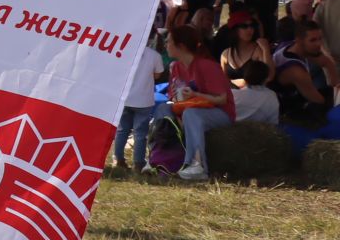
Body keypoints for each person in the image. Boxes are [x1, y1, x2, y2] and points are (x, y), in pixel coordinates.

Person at [157, 23, 235, 182]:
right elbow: (173, 98)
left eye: (169, 41)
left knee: (191, 114)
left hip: (220, 113)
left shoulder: (208, 66)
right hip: (189, 109)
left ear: (181, 46)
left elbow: (222, 99)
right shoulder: (176, 67)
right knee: (162, 109)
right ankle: (160, 160)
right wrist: (179, 102)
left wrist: (195, 94)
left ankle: (197, 165)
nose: (166, 44)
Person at [114, 29, 165, 172]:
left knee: (122, 130)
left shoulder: (125, 51)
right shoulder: (154, 56)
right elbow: (158, 75)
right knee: (140, 133)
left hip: (125, 98)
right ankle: (138, 163)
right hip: (143, 100)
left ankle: (118, 159)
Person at [271, 16, 337, 124]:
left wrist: (336, 88)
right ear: (299, 41)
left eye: (320, 38)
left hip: (296, 97)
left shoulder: (297, 47)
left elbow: (327, 62)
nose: (319, 44)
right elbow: (318, 101)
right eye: (313, 40)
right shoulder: (296, 72)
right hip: (284, 111)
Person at [219, 9, 272, 84]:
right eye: (244, 26)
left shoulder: (259, 49)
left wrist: (266, 49)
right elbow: (223, 83)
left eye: (252, 26)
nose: (250, 29)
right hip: (233, 95)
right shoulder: (225, 54)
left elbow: (268, 77)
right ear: (235, 29)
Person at [232, 59, 280, 125]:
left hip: (231, 130)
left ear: (245, 76)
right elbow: (273, 123)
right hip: (259, 132)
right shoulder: (271, 96)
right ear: (266, 79)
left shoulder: (232, 94)